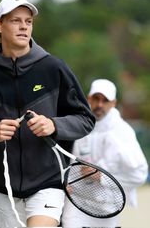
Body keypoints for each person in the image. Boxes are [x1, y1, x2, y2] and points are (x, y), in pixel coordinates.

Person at [0, 0, 95, 227]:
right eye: (16, 21)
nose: (23, 26)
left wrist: (54, 125)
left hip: (47, 184)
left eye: (28, 21)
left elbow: (86, 119)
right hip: (1, 191)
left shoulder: (53, 68)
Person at [62, 79, 148, 228]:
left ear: (113, 103)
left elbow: (139, 175)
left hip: (106, 208)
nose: (100, 105)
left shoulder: (123, 132)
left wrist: (102, 177)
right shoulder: (77, 124)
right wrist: (63, 181)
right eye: (96, 98)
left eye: (105, 100)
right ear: (88, 98)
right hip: (75, 202)